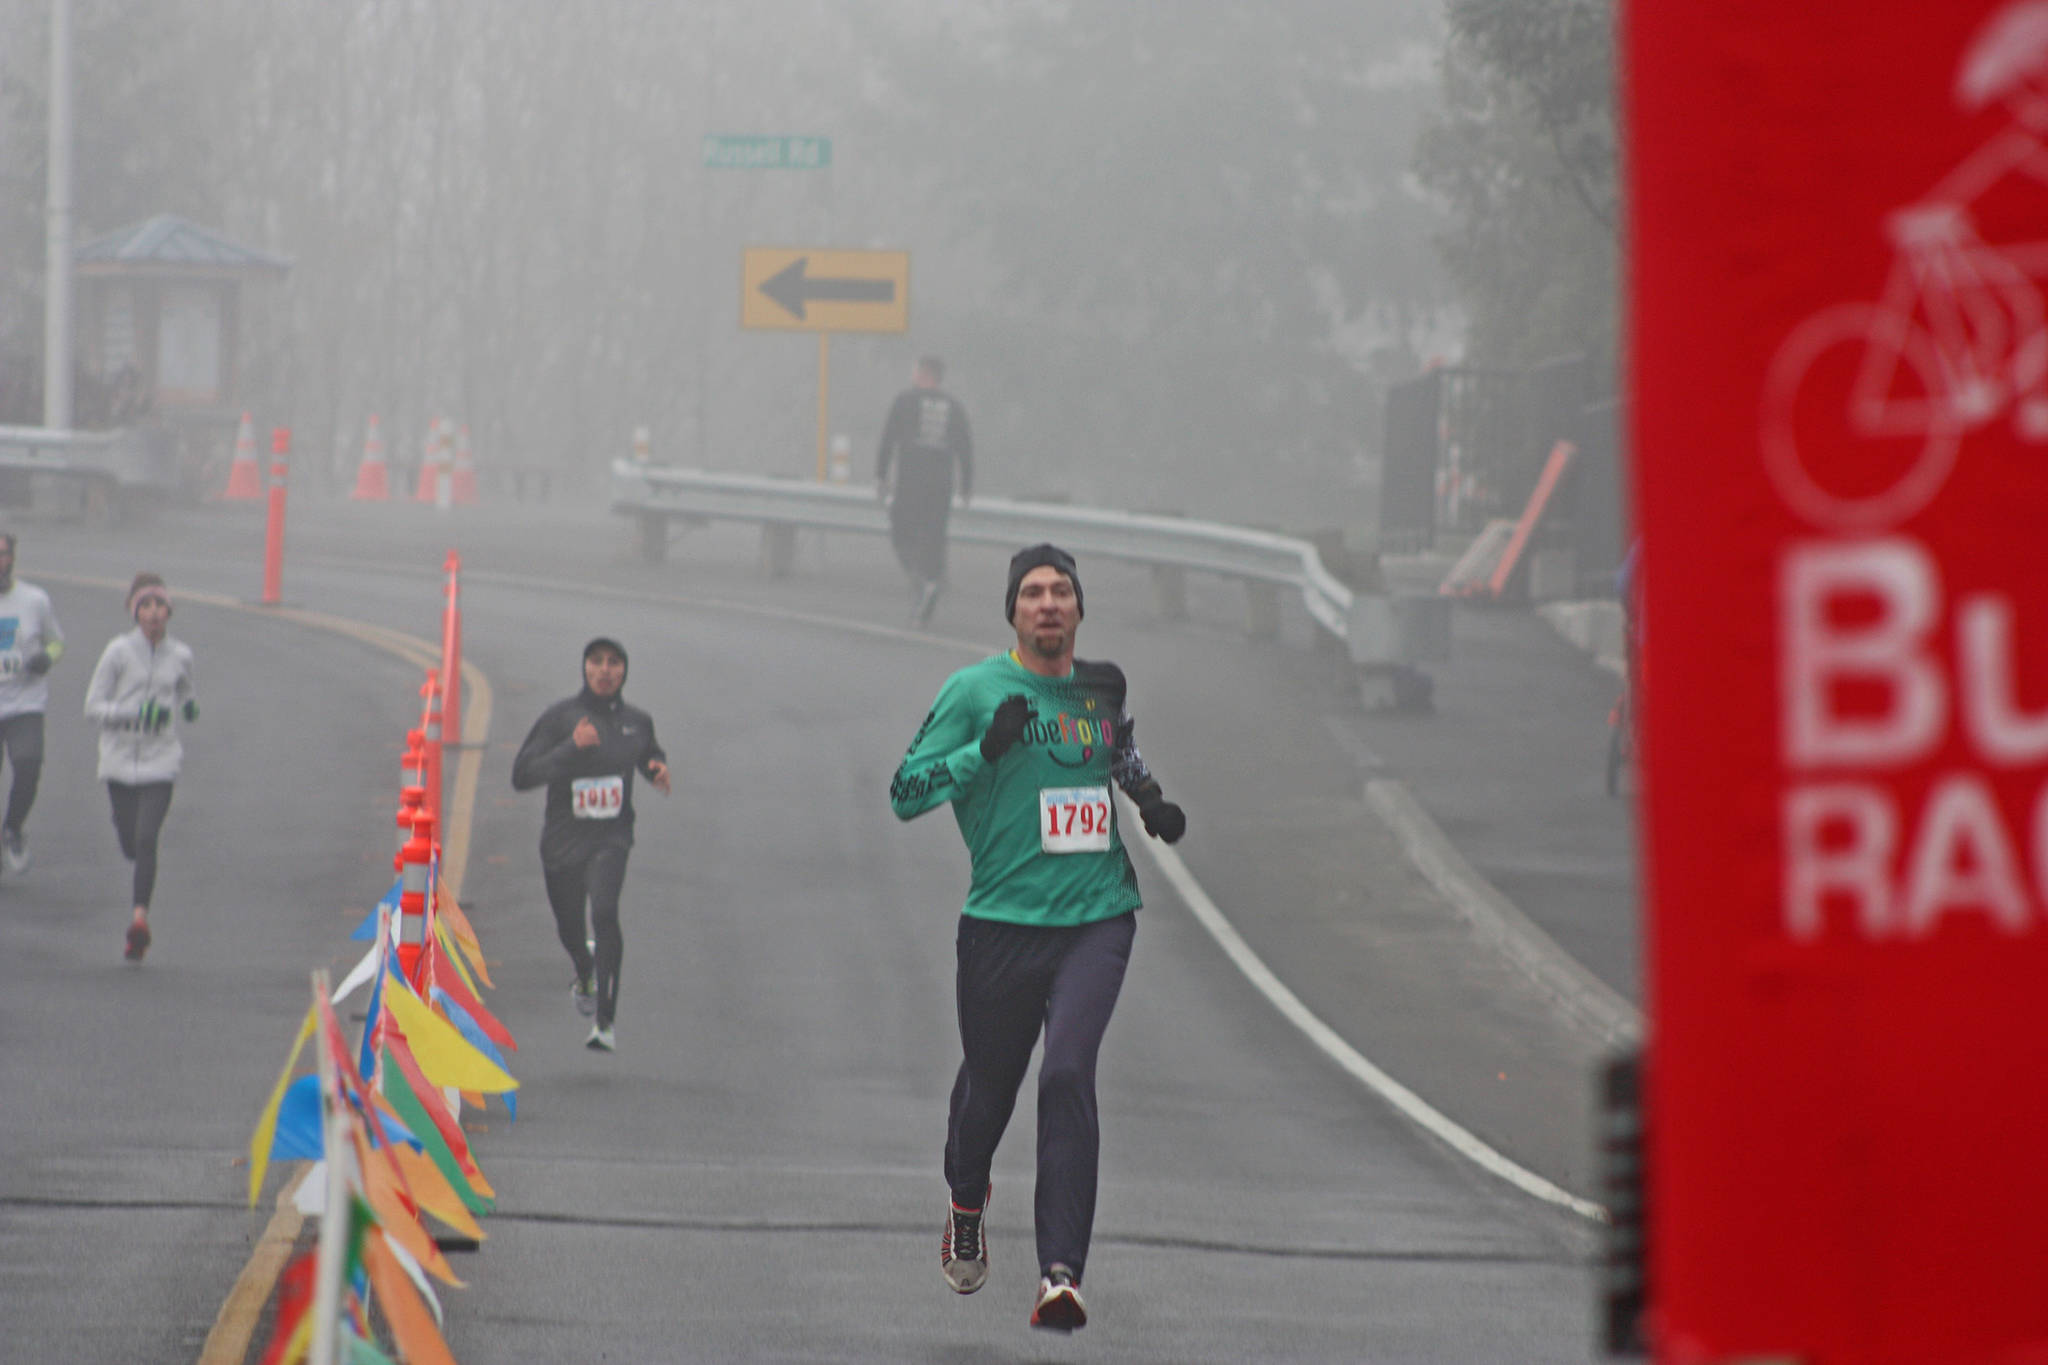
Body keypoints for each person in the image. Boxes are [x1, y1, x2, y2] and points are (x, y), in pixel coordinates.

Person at [888, 543, 1187, 1332]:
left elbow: (1115, 745)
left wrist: (1149, 799)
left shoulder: (1102, 683)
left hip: (1097, 916)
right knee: (989, 1091)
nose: (1048, 603)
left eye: (1061, 591)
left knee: (1066, 1074)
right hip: (1000, 925)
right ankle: (965, 1197)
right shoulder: (974, 690)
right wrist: (982, 750)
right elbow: (903, 792)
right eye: (1032, 593)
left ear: (1080, 608)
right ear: (1013, 612)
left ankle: (1062, 1274)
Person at [511, 637, 670, 1052]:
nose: (605, 670)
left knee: (604, 911)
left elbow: (646, 752)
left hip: (611, 838)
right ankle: (584, 969)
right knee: (571, 929)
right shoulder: (561, 718)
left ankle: (605, 1021)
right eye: (596, 662)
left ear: (624, 672)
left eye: (614, 663)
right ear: (584, 668)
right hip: (563, 842)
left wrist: (655, 769)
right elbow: (522, 775)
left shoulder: (638, 720)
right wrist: (570, 748)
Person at [83, 573, 196, 963]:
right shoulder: (117, 652)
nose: (153, 614)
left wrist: (188, 707)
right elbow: (92, 707)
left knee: (147, 839)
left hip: (160, 760)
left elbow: (185, 690)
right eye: (145, 606)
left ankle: (139, 922)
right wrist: (132, 712)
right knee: (131, 843)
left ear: (169, 612)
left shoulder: (180, 655)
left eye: (159, 606)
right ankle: (138, 887)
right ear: (134, 612)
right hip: (118, 761)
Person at [875, 355, 974, 625]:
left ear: (923, 373)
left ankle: (922, 582)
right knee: (934, 538)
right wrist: (966, 485)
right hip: (941, 487)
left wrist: (881, 476)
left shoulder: (904, 402)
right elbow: (965, 447)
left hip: (910, 484)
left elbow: (888, 439)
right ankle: (931, 581)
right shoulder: (954, 407)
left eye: (916, 370)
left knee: (901, 533)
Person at [0, 530, 64, 876]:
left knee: (28, 764)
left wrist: (45, 658)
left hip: (25, 701)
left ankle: (13, 828)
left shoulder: (34, 600)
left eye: (3, 554)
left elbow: (57, 642)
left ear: (12, 558)